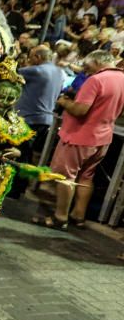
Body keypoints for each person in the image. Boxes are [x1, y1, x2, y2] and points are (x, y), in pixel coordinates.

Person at [43, 49, 124, 228]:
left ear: (97, 62)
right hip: (103, 138)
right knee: (86, 177)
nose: (86, 71)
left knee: (65, 177)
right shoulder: (122, 79)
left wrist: (64, 102)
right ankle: (78, 216)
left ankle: (60, 217)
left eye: (88, 67)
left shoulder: (96, 80)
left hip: (79, 137)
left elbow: (80, 110)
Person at [15, 45, 63, 166]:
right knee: (30, 154)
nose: (29, 61)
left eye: (30, 58)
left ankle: (18, 183)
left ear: (38, 57)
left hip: (29, 119)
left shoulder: (37, 71)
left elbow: (8, 72)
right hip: (46, 120)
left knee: (20, 154)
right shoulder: (59, 72)